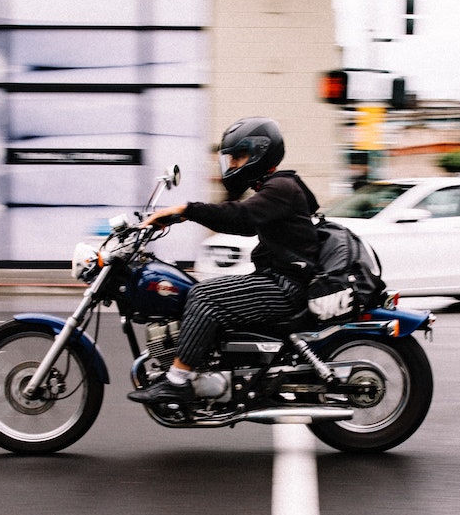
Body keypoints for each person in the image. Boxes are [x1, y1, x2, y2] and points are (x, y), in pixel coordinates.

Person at [127, 116, 320, 407]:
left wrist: (187, 209)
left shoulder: (281, 188)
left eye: (238, 157)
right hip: (279, 280)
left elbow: (239, 216)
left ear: (259, 153)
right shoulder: (276, 189)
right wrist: (179, 216)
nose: (231, 165)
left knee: (203, 296)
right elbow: (244, 224)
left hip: (286, 287)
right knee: (202, 290)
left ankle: (177, 382)